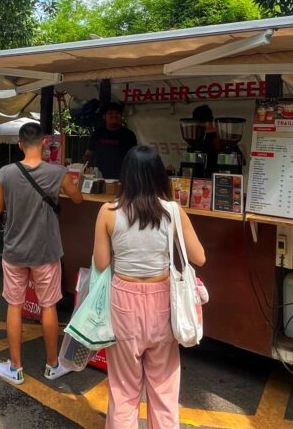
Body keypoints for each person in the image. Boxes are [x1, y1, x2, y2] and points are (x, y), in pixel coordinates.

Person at [93, 145, 206, 428]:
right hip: (162, 304)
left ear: (126, 176)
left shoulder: (108, 211)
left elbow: (102, 262)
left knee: (123, 389)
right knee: (164, 387)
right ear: (159, 176)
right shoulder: (173, 211)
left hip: (123, 303)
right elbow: (200, 258)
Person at [0, 122, 83, 385]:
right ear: (44, 143)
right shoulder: (58, 172)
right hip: (46, 251)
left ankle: (16, 368)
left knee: (14, 304)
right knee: (48, 305)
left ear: (19, 145)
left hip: (14, 250)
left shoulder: (5, 173)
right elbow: (77, 198)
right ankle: (52, 365)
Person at [83, 102, 137, 180]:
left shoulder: (129, 135)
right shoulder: (97, 134)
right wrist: (83, 170)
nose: (114, 115)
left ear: (121, 116)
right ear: (104, 117)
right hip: (100, 178)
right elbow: (87, 155)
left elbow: (134, 158)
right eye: (110, 113)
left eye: (117, 113)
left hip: (123, 178)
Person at [192, 104, 222, 178]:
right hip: (202, 178)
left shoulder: (218, 138)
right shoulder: (222, 137)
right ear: (212, 119)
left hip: (208, 178)